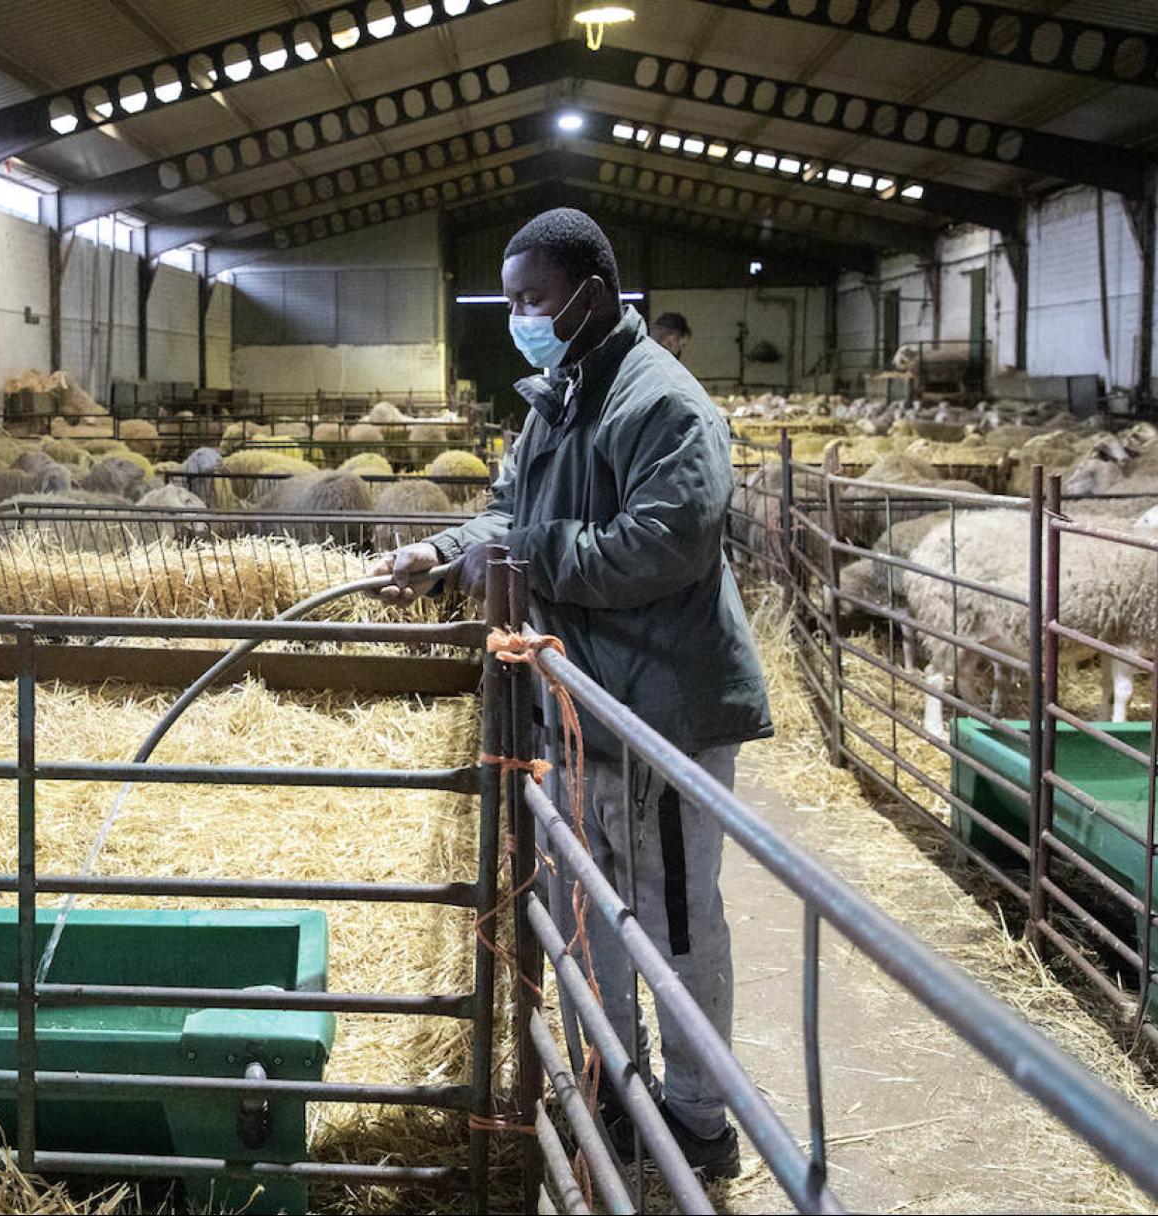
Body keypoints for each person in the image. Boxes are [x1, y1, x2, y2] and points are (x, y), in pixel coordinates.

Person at [369, 207, 770, 1179]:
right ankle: (612, 1081)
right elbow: (511, 510)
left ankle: (699, 1116)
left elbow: (661, 545)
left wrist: (526, 555)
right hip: (591, 698)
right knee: (590, 903)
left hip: (665, 704)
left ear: (591, 296)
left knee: (671, 914)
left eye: (531, 299)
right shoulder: (557, 399)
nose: (517, 317)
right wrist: (440, 550)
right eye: (508, 301)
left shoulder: (662, 403)